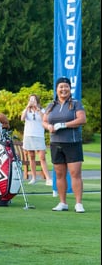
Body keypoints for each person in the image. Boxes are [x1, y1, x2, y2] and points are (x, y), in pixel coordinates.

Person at [42, 77, 87, 213]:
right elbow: (44, 121)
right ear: (56, 89)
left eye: (66, 87)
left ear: (69, 89)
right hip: (56, 143)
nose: (63, 89)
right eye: (61, 87)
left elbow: (82, 119)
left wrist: (64, 125)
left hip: (72, 143)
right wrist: (48, 126)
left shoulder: (75, 103)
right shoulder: (51, 105)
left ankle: (78, 203)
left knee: (75, 173)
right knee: (59, 174)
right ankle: (63, 203)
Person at [20, 93, 51, 185]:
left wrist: (38, 110)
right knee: (31, 156)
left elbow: (44, 120)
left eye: (34, 100)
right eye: (31, 100)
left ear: (37, 101)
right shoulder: (26, 110)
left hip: (39, 135)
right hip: (28, 135)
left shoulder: (42, 110)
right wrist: (27, 107)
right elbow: (22, 118)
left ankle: (48, 178)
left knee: (42, 157)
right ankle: (33, 178)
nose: (32, 101)